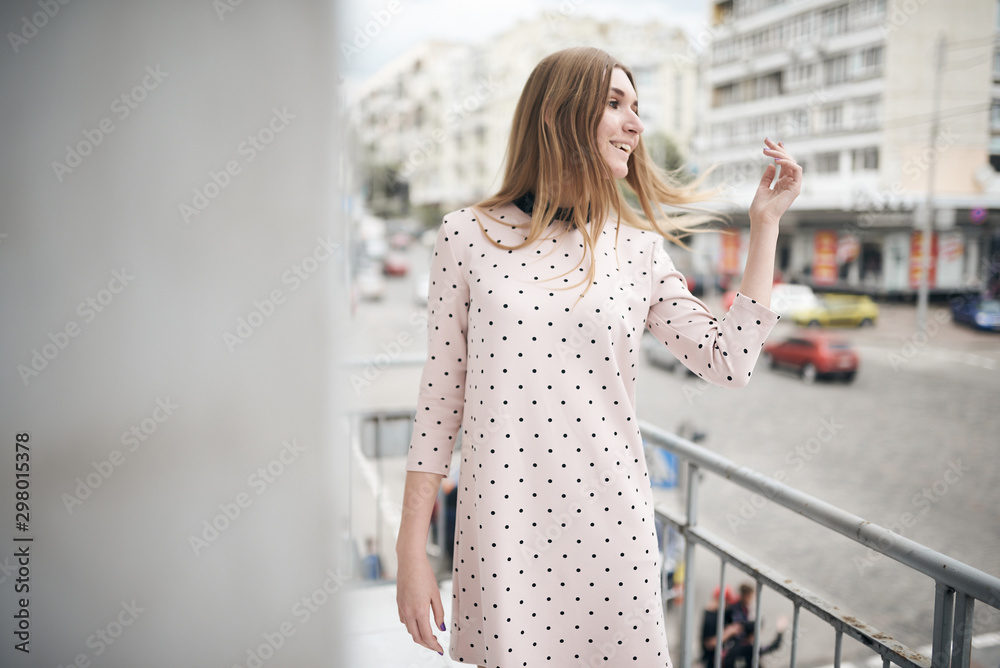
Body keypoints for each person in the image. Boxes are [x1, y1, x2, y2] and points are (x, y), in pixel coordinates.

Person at [395, 46, 802, 666]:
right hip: (503, 540)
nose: (636, 124)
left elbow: (731, 360)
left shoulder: (636, 251)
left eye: (637, 107)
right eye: (615, 105)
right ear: (558, 115)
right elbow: (439, 405)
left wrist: (765, 224)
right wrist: (411, 555)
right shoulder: (465, 236)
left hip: (612, 537)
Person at [722, 616, 790, 668]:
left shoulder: (735, 644)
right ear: (754, 634)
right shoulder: (750, 649)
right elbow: (774, 646)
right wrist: (780, 631)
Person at [701, 586, 743, 667]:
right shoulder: (710, 618)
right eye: (728, 602)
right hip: (711, 661)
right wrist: (728, 632)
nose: (730, 605)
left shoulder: (719, 611)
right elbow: (709, 644)